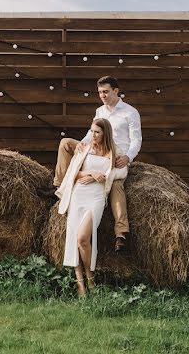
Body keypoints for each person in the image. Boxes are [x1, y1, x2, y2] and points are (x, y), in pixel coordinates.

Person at [46, 76, 142, 253]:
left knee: (116, 185)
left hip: (116, 156)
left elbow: (137, 140)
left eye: (106, 91)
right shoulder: (100, 111)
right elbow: (93, 132)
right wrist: (83, 143)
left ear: (116, 90)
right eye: (99, 92)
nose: (102, 95)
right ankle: (59, 186)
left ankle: (121, 233)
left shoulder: (130, 112)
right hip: (95, 150)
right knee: (66, 143)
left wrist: (128, 157)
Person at [55, 118, 127, 296]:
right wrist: (90, 173)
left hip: (96, 197)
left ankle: (90, 278)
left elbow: (122, 171)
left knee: (83, 237)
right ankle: (81, 284)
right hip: (79, 194)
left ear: (105, 134)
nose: (92, 135)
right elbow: (73, 173)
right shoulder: (84, 148)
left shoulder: (114, 151)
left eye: (97, 132)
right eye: (92, 131)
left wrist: (101, 175)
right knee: (75, 239)